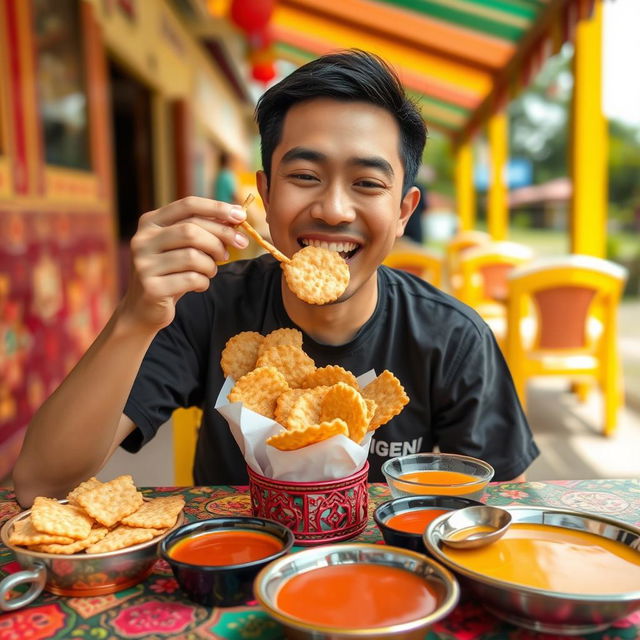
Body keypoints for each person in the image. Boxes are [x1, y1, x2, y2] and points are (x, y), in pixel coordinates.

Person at [13, 50, 538, 507]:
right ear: (265, 194)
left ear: (404, 211)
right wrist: (133, 319)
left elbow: (504, 504)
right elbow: (40, 484)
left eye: (366, 183)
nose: (333, 209)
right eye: (305, 176)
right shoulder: (205, 307)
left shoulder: (452, 338)